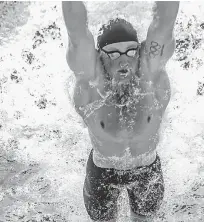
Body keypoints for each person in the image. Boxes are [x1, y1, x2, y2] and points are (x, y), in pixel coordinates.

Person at [62, 1, 179, 221]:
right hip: (103, 172)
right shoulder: (91, 82)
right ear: (100, 56)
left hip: (146, 170)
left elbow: (164, 23)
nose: (124, 58)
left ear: (140, 51)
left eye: (130, 51)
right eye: (113, 53)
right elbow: (77, 32)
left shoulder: (150, 74)